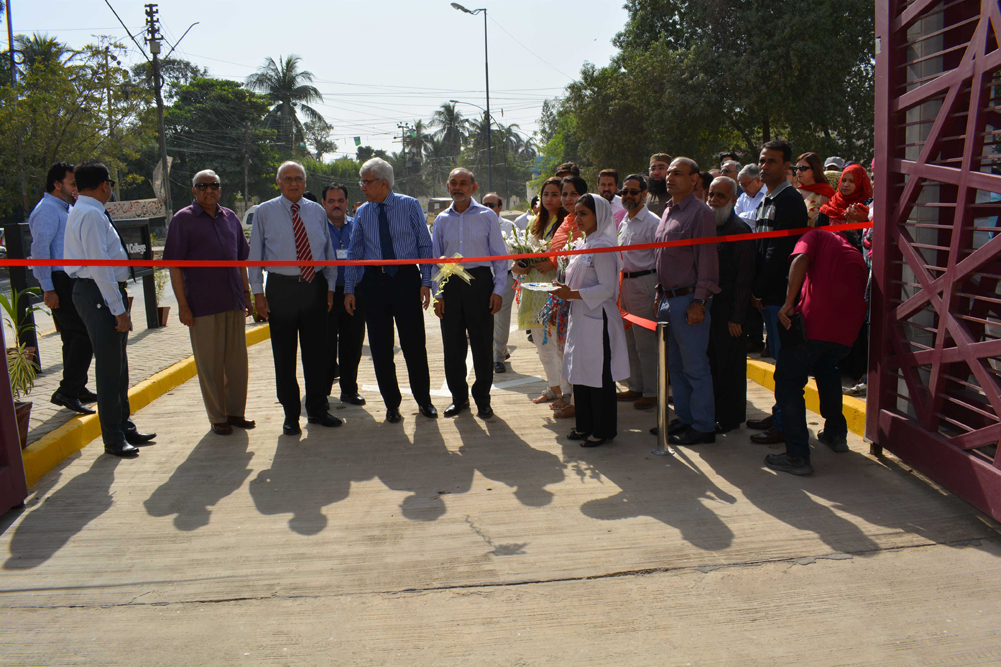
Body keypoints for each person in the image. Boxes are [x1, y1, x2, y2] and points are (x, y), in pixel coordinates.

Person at [64, 161, 155, 457]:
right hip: (98, 293)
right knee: (108, 369)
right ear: (104, 184)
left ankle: (123, 426)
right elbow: (99, 265)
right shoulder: (90, 213)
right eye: (111, 185)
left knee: (118, 367)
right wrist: (118, 309)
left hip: (100, 292)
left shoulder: (87, 210)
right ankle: (113, 437)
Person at [766, 227, 868, 475]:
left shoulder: (817, 235)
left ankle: (797, 455)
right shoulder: (854, 252)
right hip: (845, 333)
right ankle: (836, 434)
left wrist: (789, 302)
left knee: (788, 382)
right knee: (827, 371)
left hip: (813, 326)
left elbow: (800, 259)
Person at [249, 161, 342, 435]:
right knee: (284, 355)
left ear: (305, 182)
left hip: (314, 286)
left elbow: (327, 253)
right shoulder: (264, 212)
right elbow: (255, 256)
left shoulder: (316, 211)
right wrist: (258, 295)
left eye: (299, 179)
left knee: (317, 354)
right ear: (278, 182)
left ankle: (317, 409)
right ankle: (291, 414)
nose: (294, 183)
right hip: (281, 288)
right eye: (288, 179)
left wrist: (330, 288)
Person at [344, 157, 437, 423]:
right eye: (362, 181)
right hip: (374, 284)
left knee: (414, 345)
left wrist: (425, 282)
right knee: (381, 348)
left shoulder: (409, 206)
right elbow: (355, 253)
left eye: (366, 182)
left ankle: (424, 401)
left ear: (383, 183)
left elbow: (424, 245)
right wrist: (350, 288)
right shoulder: (362, 212)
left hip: (406, 280)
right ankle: (391, 404)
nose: (362, 187)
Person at [163, 170, 254, 435]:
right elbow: (175, 267)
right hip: (202, 305)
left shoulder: (230, 218)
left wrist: (247, 295)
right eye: (202, 186)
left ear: (220, 190)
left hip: (234, 301)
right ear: (193, 191)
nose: (208, 190)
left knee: (237, 363)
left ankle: (236, 412)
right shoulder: (183, 220)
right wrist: (183, 306)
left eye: (214, 185)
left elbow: (240, 262)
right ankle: (218, 417)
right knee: (210, 365)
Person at [747, 140, 810, 446]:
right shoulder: (766, 200)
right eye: (762, 160)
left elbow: (778, 252)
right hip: (766, 297)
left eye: (772, 161)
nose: (764, 166)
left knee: (786, 366)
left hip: (780, 298)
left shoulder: (790, 201)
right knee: (777, 361)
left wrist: (758, 288)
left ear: (787, 167)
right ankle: (779, 414)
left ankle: (785, 426)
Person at [431, 168, 507, 419]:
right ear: (447, 186)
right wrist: (438, 294)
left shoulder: (487, 216)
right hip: (450, 284)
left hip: (480, 283)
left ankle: (483, 399)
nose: (457, 187)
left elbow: (499, 258)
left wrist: (498, 290)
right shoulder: (441, 219)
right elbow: (435, 261)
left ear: (474, 187)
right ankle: (459, 398)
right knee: (453, 346)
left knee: (483, 345)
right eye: (453, 183)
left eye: (463, 183)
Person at [554, 194, 629, 447]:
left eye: (584, 213)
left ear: (600, 215)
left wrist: (571, 294)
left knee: (599, 377)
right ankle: (584, 425)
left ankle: (603, 430)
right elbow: (578, 280)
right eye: (576, 213)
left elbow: (607, 288)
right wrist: (562, 288)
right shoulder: (583, 244)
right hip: (581, 318)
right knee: (581, 374)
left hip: (599, 321)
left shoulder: (604, 247)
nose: (578, 218)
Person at [654, 157, 720, 445]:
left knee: (695, 367)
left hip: (689, 299)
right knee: (676, 368)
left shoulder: (700, 213)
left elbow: (707, 259)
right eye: (668, 172)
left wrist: (700, 302)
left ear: (694, 179)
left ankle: (704, 427)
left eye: (677, 173)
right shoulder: (668, 210)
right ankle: (686, 418)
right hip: (668, 299)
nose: (670, 177)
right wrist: (659, 295)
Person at [29, 162, 97, 415]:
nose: (76, 189)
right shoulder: (46, 210)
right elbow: (39, 252)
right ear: (57, 185)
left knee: (73, 337)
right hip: (59, 281)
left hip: (69, 280)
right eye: (72, 184)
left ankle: (77, 388)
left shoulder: (64, 209)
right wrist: (48, 288)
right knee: (82, 335)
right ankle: (67, 391)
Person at [512, 177, 569, 407]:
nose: (550, 199)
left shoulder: (568, 223)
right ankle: (554, 388)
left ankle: (568, 393)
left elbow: (571, 255)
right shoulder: (533, 223)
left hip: (555, 289)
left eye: (555, 194)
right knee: (542, 344)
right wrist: (520, 266)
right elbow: (519, 257)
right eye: (546, 194)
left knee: (558, 345)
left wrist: (553, 264)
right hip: (533, 289)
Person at [706, 176, 755, 433]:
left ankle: (729, 418)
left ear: (733, 200)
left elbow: (744, 277)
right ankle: (713, 412)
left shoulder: (739, 229)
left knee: (730, 365)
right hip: (710, 307)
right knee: (712, 362)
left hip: (730, 309)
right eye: (711, 195)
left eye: (720, 196)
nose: (713, 201)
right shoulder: (709, 226)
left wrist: (737, 316)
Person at [615, 174, 660, 410]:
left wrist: (658, 291)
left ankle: (652, 392)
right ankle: (636, 387)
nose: (628, 196)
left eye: (633, 191)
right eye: (625, 192)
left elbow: (661, 260)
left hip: (645, 284)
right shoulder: (624, 221)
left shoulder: (653, 222)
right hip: (625, 285)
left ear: (644, 194)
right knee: (629, 340)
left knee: (645, 342)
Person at [321, 183, 366, 407]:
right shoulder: (318, 227)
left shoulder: (358, 226)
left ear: (347, 203)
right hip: (326, 293)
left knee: (352, 343)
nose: (336, 205)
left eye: (340, 201)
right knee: (325, 344)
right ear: (324, 204)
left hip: (354, 293)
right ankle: (323, 392)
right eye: (331, 201)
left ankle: (349, 390)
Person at [484, 192, 516, 374]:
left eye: (492, 205)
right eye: (485, 205)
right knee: (487, 319)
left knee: (502, 320)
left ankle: (498, 358)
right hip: (482, 278)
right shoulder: (477, 224)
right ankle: (501, 350)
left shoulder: (510, 227)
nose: (488, 209)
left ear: (500, 207)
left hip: (506, 277)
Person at [794, 152, 836, 226]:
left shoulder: (826, 193)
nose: (798, 172)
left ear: (815, 170)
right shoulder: (794, 192)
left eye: (803, 168)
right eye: (796, 169)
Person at [735, 164, 766, 229]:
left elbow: (761, 217)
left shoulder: (769, 195)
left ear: (758, 180)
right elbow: (735, 218)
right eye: (741, 186)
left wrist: (741, 216)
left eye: (745, 185)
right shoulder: (743, 197)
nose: (743, 188)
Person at [646, 153, 672, 218]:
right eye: (653, 169)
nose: (656, 173)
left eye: (661, 168)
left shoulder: (678, 196)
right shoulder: (644, 196)